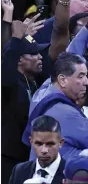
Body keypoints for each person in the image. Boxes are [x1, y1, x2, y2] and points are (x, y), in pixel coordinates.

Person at [2, 20, 50, 184]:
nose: (40, 57)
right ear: (20, 59)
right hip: (6, 157)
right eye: (34, 54)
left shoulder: (33, 82)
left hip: (26, 155)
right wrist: (15, 37)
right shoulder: (10, 83)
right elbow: (7, 63)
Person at [9, 116, 65, 184]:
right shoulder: (19, 171)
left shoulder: (71, 174)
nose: (44, 150)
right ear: (31, 141)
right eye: (39, 144)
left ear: (61, 143)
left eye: (50, 144)